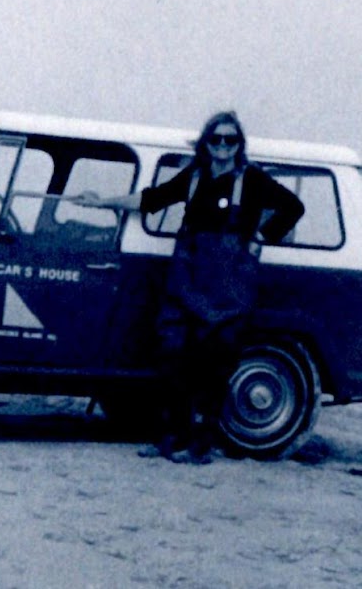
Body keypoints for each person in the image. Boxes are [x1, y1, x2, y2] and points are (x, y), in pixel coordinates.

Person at [74, 111, 304, 463]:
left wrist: (261, 237)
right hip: (185, 279)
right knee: (172, 357)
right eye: (216, 138)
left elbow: (293, 207)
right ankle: (172, 437)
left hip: (227, 288)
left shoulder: (253, 179)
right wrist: (102, 201)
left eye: (230, 139)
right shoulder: (194, 177)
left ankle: (201, 446)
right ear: (206, 143)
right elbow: (151, 199)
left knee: (214, 363)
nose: (223, 145)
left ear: (239, 144)